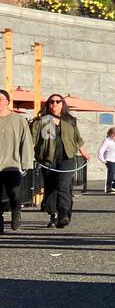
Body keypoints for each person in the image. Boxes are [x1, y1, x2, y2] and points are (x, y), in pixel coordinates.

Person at [31, 94, 89, 228]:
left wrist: (84, 152)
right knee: (51, 187)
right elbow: (32, 140)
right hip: (48, 159)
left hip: (66, 158)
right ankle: (54, 215)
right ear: (48, 105)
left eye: (58, 102)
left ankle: (64, 213)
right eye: (51, 102)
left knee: (62, 184)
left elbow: (77, 139)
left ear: (62, 104)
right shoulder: (43, 121)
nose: (55, 104)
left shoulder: (70, 121)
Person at [0, 88, 34, 234]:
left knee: (14, 193)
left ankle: (16, 212)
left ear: (7, 101)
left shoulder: (19, 120)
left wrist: (26, 163)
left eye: (1, 99)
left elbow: (26, 141)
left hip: (12, 165)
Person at [98, 127, 115, 193]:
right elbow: (100, 151)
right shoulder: (107, 140)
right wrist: (103, 160)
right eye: (114, 135)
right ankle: (109, 188)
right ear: (110, 134)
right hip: (109, 160)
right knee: (111, 174)